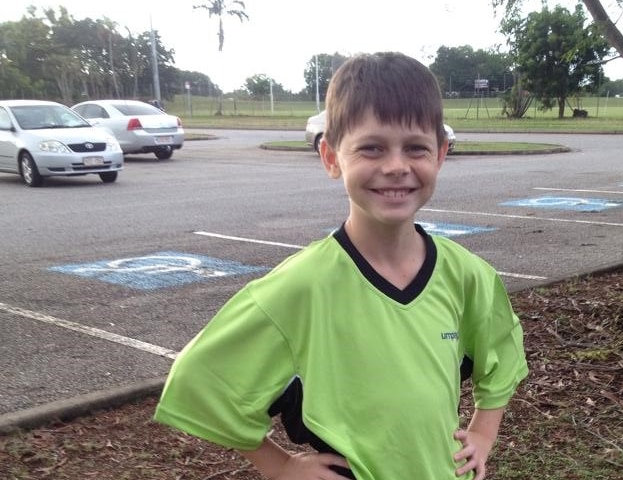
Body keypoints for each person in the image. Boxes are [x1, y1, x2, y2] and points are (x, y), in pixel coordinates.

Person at [154, 51, 528, 480]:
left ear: (440, 154)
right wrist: (279, 466)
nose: (395, 166)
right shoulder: (304, 285)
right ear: (332, 157)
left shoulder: (466, 274)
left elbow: (502, 350)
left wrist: (483, 432)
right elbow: (200, 379)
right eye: (371, 148)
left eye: (415, 148)